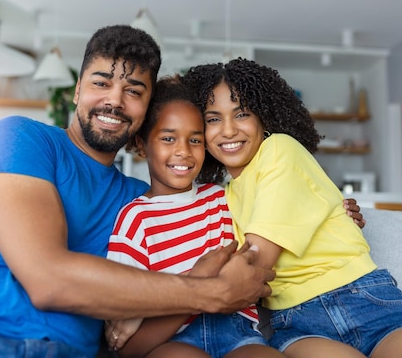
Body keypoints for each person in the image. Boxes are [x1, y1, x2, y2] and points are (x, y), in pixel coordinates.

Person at [0, 26, 275, 358]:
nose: (115, 100)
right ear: (77, 90)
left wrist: (335, 211)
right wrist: (210, 292)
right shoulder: (20, 139)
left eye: (134, 91)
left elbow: (247, 215)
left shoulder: (145, 204)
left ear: (146, 111)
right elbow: (48, 279)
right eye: (102, 83)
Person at [180, 58, 402, 358]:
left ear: (264, 117)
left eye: (242, 114)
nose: (228, 130)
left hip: (366, 301)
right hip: (298, 323)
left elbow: (256, 263)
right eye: (213, 118)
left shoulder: (280, 148)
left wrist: (191, 288)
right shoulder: (222, 195)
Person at [104, 77, 286, 358]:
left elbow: (278, 212)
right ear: (141, 145)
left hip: (239, 334)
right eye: (168, 138)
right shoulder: (136, 219)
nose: (183, 151)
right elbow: (128, 347)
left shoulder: (223, 197)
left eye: (195, 140)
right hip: (172, 339)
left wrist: (337, 208)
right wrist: (200, 278)